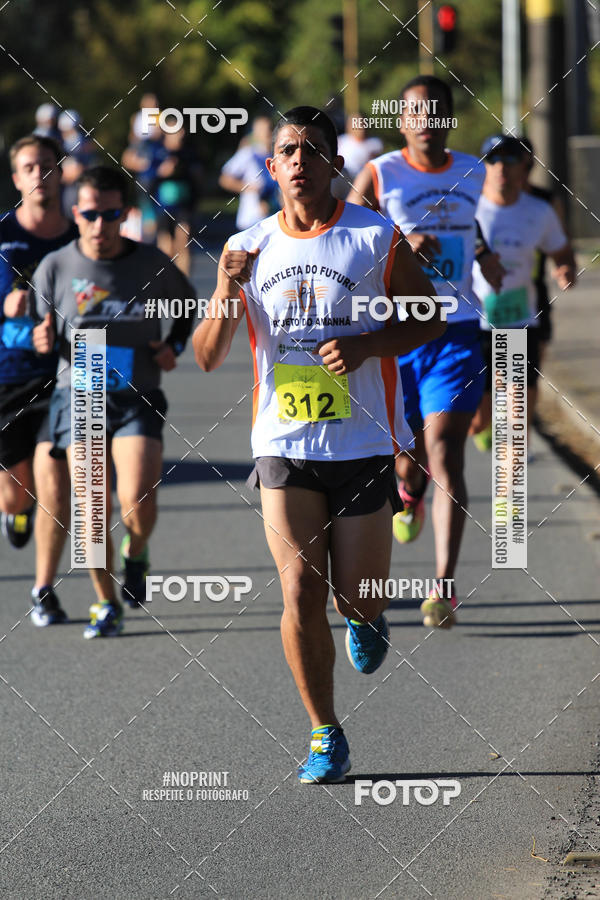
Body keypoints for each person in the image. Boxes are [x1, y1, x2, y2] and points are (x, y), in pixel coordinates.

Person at [193, 106, 444, 783]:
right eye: (287, 151)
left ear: (335, 164)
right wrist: (224, 285)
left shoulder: (373, 236)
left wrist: (367, 344)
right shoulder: (247, 246)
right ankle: (325, 734)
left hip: (361, 443)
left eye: (312, 150)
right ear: (269, 167)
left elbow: (426, 316)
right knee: (300, 588)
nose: (299, 161)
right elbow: (208, 355)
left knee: (355, 596)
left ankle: (365, 617)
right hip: (283, 444)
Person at [348, 75, 503, 629]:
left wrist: (484, 256)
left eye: (437, 111)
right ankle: (407, 492)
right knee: (408, 459)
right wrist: (402, 245)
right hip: (397, 332)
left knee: (446, 454)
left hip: (456, 331)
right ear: (402, 119)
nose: (427, 121)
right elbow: (346, 238)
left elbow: (473, 226)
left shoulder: (473, 170)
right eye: (417, 112)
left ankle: (443, 586)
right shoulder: (381, 173)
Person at [32, 166, 195, 638]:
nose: (99, 226)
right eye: (89, 215)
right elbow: (43, 334)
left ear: (124, 214)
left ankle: (136, 551)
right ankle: (106, 603)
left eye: (109, 215)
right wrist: (42, 341)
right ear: (75, 213)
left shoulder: (152, 264)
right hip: (79, 397)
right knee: (91, 504)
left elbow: (186, 311)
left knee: (137, 500)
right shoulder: (56, 267)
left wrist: (174, 346)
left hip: (136, 396)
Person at [0, 135, 78, 626]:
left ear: (61, 172)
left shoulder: (79, 236)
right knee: (17, 492)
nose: (40, 175)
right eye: (30, 167)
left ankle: (43, 588)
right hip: (8, 376)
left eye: (48, 166)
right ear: (16, 178)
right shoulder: (2, 238)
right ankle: (16, 511)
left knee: (57, 480)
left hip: (66, 375)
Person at [469, 134, 576, 446]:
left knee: (516, 421)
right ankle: (484, 425)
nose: (501, 166)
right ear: (484, 165)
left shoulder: (539, 209)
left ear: (524, 166)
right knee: (477, 422)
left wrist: (565, 268)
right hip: (475, 323)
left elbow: (562, 251)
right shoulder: (467, 208)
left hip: (520, 319)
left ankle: (510, 489)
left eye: (510, 159)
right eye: (493, 159)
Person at [219, 116, 279, 229]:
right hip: (252, 220)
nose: (267, 133)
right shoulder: (247, 154)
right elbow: (224, 180)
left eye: (269, 129)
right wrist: (250, 188)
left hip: (275, 219)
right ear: (255, 133)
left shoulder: (278, 155)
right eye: (262, 130)